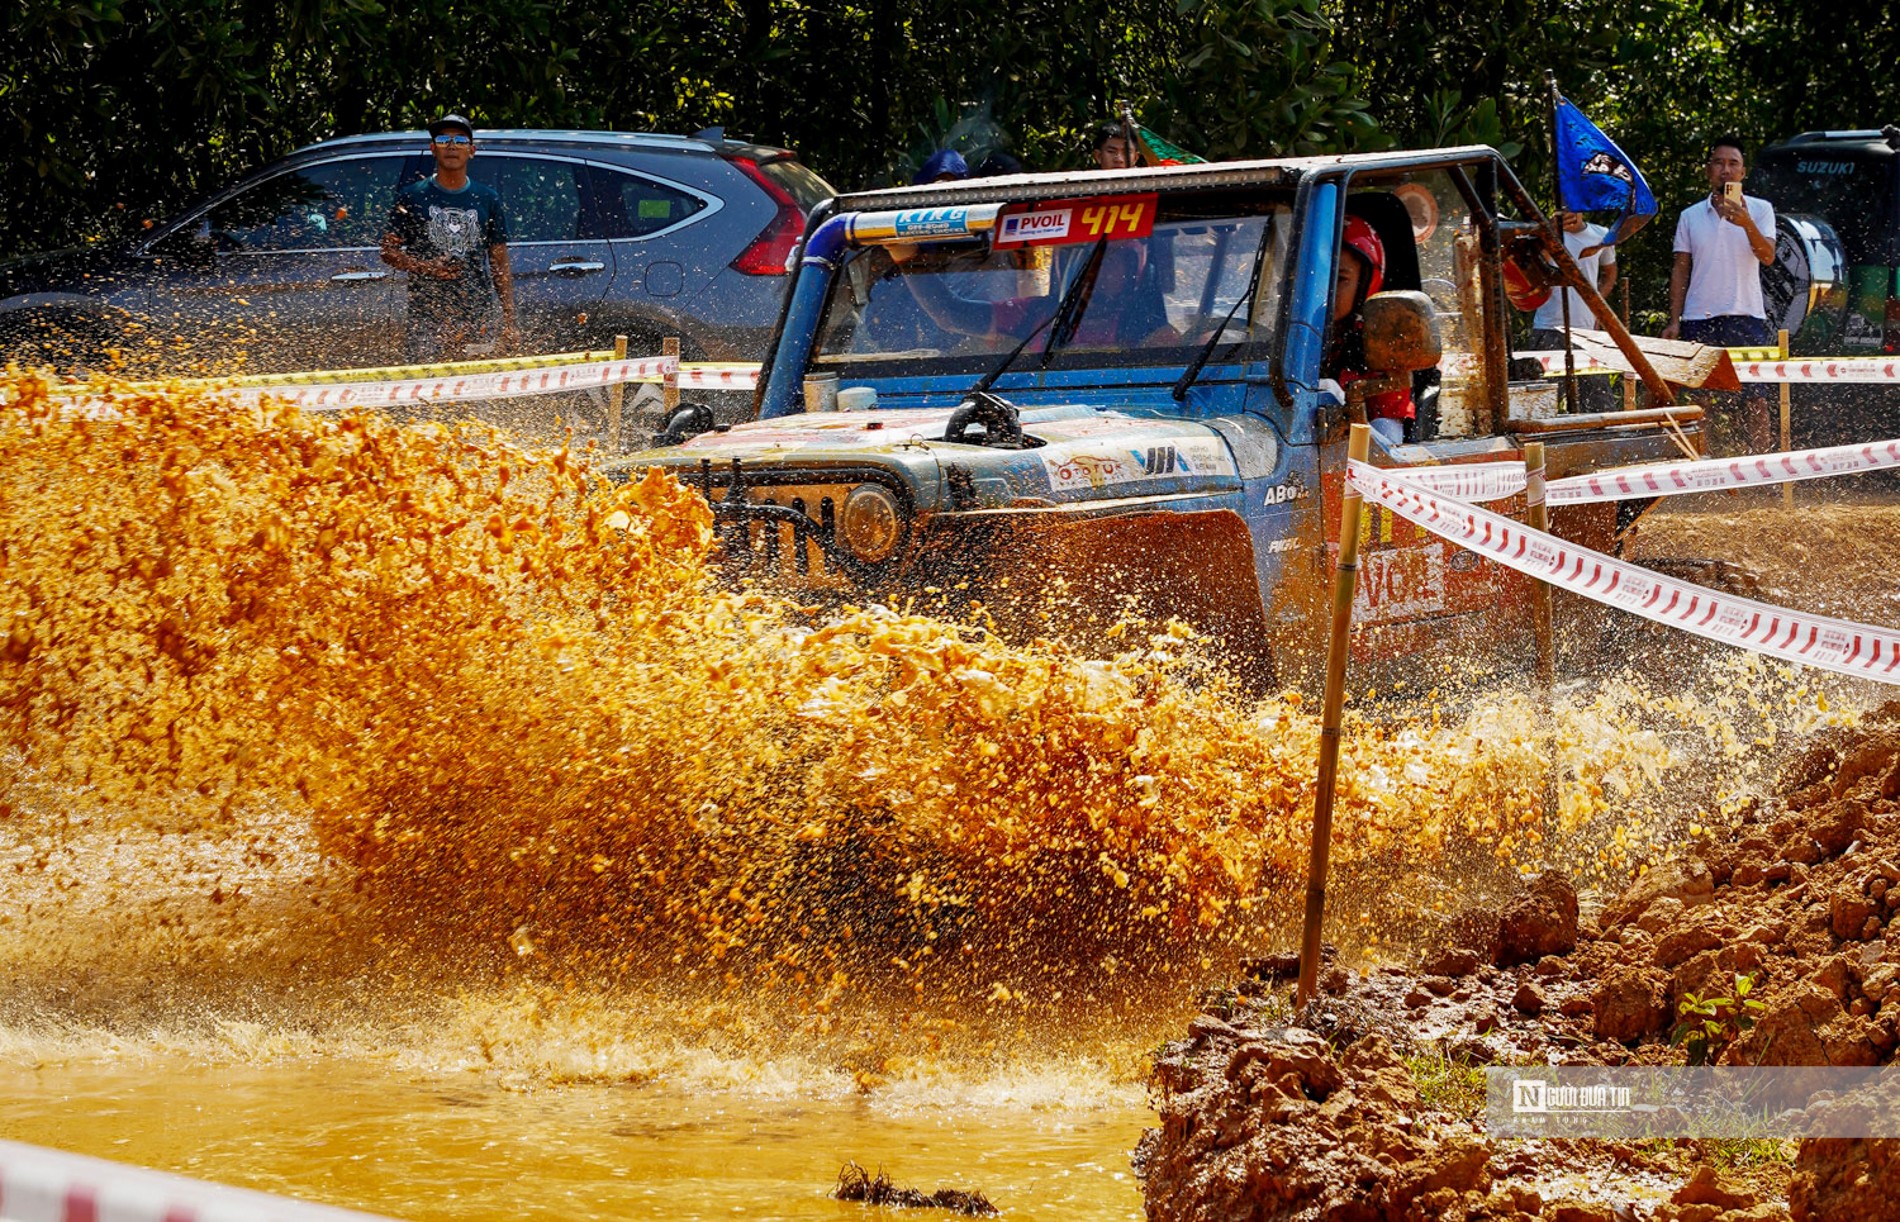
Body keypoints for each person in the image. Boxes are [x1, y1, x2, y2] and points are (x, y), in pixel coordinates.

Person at [1661, 135, 1776, 449]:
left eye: (1733, 163)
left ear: (1743, 172)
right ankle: (1701, 469)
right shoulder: (1690, 215)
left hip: (1747, 315)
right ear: (1708, 170)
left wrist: (1745, 221)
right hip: (1699, 316)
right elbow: (1680, 268)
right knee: (1699, 399)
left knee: (1756, 400)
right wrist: (1675, 319)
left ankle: (1763, 471)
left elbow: (1768, 256)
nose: (1726, 170)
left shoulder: (1762, 210)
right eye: (1719, 163)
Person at [380, 114, 517, 361]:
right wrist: (426, 267)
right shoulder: (412, 196)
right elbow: (388, 251)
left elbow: (499, 263)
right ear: (433, 149)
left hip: (476, 314)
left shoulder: (487, 198)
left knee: (473, 386)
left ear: (471, 150)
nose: (452, 146)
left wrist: (509, 319)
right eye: (443, 140)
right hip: (427, 317)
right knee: (426, 386)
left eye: (460, 140)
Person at [1323, 215, 1413, 446]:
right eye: (1318, 276)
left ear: (1366, 281)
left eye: (1340, 279)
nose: (1325, 290)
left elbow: (1389, 435)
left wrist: (1342, 408)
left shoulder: (1379, 343)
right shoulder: (1283, 340)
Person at [1529, 211, 1617, 410]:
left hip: (1588, 333)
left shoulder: (1601, 235)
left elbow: (1609, 273)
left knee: (1599, 406)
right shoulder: (1544, 235)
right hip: (1549, 328)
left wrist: (1597, 307)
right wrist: (1549, 236)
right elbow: (1533, 270)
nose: (1569, 211)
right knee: (1541, 405)